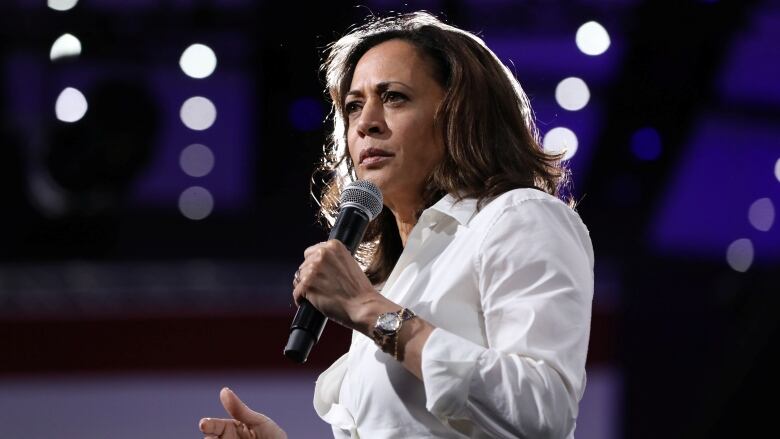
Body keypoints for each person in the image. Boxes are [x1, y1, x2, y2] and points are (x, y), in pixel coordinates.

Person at [199, 11, 594, 439]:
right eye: (353, 106)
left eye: (394, 98)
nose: (365, 122)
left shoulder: (518, 218)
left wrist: (372, 312)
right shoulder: (392, 279)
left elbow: (544, 410)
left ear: (459, 114)